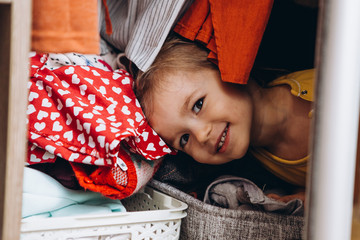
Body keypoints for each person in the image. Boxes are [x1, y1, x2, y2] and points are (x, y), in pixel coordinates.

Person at [135, 36, 314, 202]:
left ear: (225, 67)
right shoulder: (262, 160)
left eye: (198, 105)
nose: (201, 135)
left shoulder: (318, 92)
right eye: (184, 139)